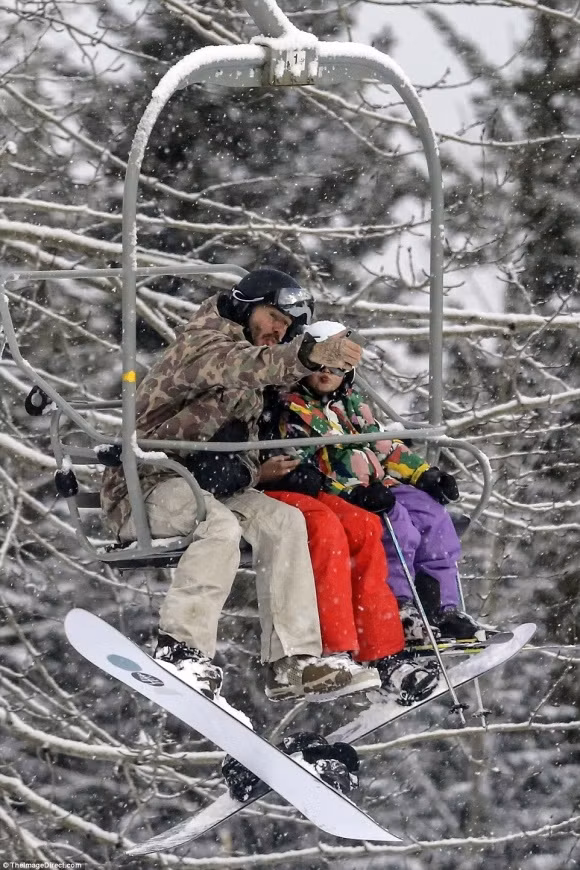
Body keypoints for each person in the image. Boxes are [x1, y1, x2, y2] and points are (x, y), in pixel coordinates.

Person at [100, 269, 380, 703]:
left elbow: (244, 440)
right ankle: (182, 649)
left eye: (286, 327)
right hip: (148, 485)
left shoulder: (252, 370)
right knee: (220, 528)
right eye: (272, 317)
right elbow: (244, 366)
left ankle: (295, 660)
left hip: (202, 487)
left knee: (286, 522)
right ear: (246, 306)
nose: (277, 330)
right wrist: (304, 356)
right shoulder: (205, 343)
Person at [270, 320, 484, 644]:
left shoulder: (352, 403)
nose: (327, 374)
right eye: (320, 367)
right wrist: (350, 492)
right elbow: (302, 464)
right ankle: (398, 607)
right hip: (345, 492)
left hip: (377, 483)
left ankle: (441, 607)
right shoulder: (295, 408)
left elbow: (382, 445)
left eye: (337, 368)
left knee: (433, 516)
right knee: (397, 525)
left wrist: (423, 474)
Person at [258, 425, 440, 703]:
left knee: (363, 525)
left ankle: (381, 651)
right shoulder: (286, 405)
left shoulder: (334, 406)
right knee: (325, 528)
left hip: (297, 478)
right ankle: (336, 648)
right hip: (258, 481)